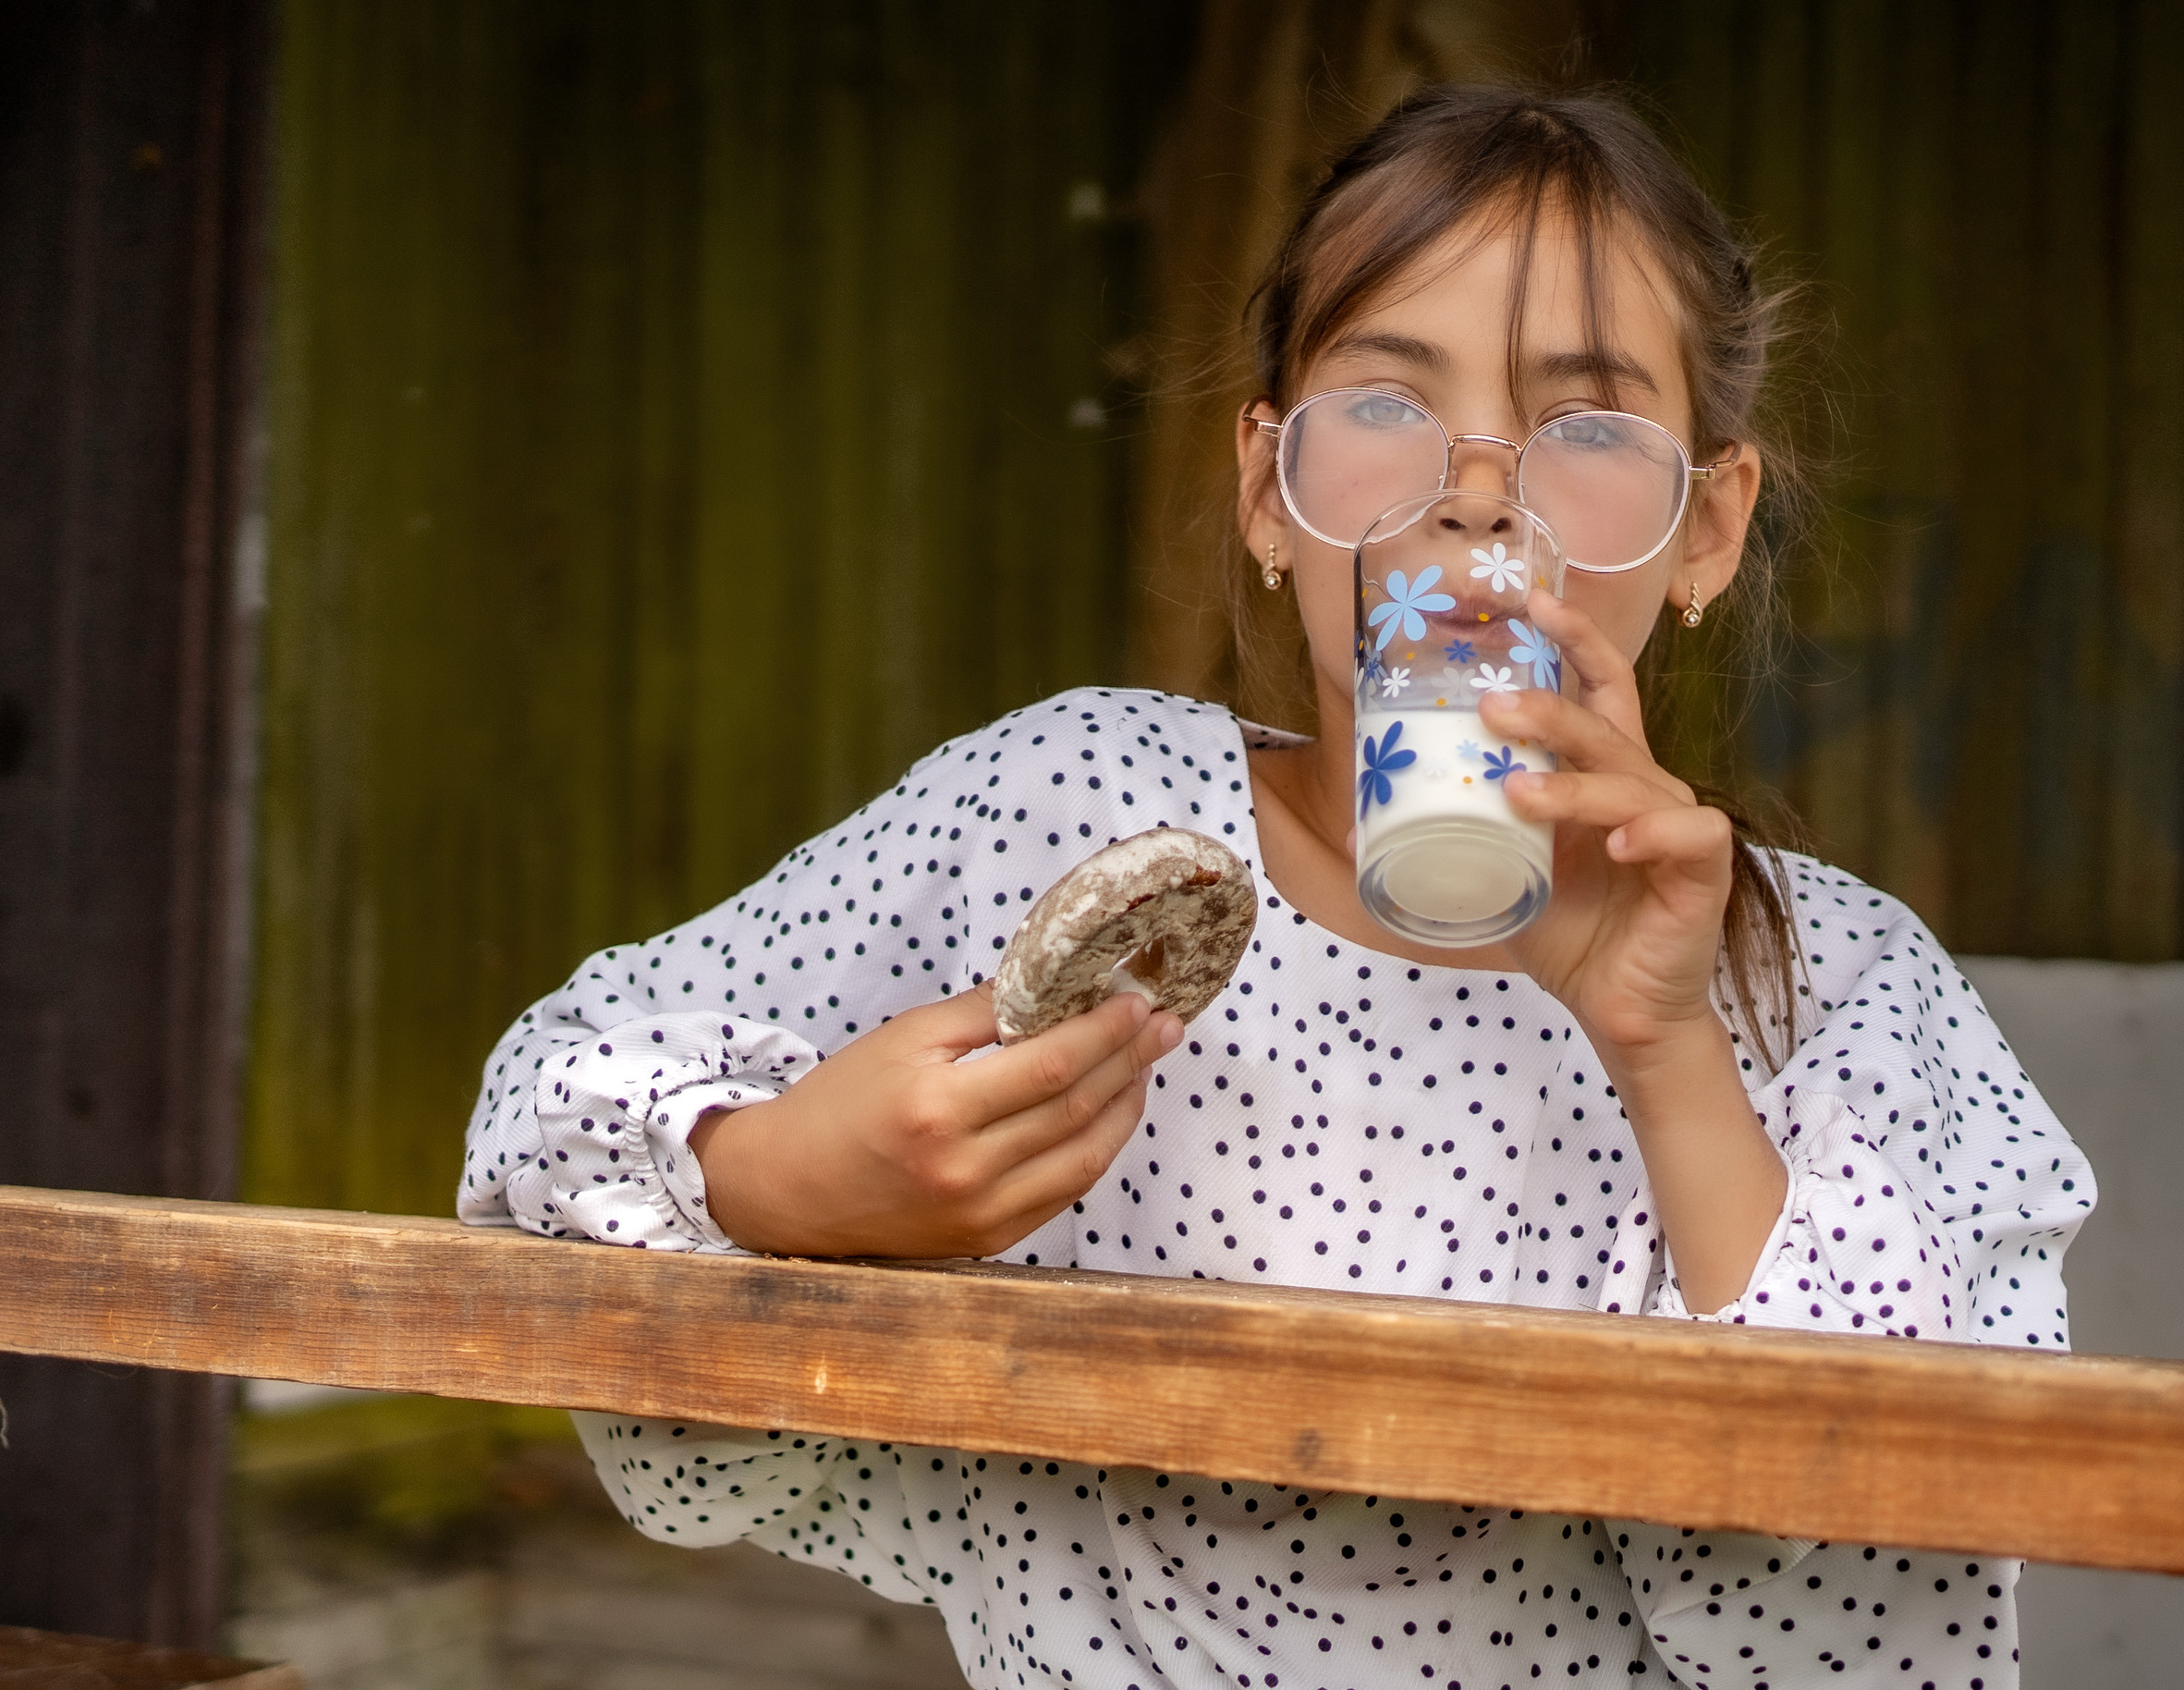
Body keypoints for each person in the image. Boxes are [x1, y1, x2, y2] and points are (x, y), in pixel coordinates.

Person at [461, 85, 2093, 1690]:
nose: (1477, 489)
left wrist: (1671, 1057)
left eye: (1587, 426)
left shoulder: (1836, 984)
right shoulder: (1074, 813)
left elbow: (1885, 1631)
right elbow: (542, 1113)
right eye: (1386, 402)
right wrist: (778, 1182)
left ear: (1706, 528)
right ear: (1269, 489)